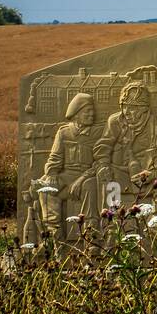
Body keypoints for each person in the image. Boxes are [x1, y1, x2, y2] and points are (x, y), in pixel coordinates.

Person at [97, 81, 157, 202]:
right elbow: (103, 147)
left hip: (145, 177)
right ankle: (110, 218)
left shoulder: (154, 126)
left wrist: (151, 174)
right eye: (124, 106)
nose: (126, 112)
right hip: (119, 172)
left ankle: (156, 218)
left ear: (144, 108)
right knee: (103, 173)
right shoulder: (114, 121)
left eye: (132, 107)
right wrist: (104, 164)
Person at [37, 92, 101, 233]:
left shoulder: (98, 133)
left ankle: (91, 237)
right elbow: (55, 157)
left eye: (93, 111)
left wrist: (81, 179)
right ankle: (54, 235)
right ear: (77, 113)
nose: (92, 115)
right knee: (44, 187)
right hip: (66, 176)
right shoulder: (64, 133)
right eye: (88, 111)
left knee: (89, 186)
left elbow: (100, 162)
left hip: (88, 176)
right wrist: (52, 173)